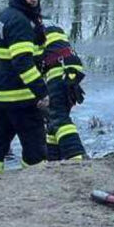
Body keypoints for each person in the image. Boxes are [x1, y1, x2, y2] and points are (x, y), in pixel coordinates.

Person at [0, 0, 49, 174]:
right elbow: (23, 63)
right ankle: (33, 181)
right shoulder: (21, 22)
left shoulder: (4, 16)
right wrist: (42, 92)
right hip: (20, 97)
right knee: (35, 145)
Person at [39, 23, 86, 161]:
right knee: (53, 118)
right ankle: (53, 161)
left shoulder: (25, 28)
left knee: (58, 115)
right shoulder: (47, 24)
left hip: (59, 68)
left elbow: (30, 63)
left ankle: (76, 156)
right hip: (70, 65)